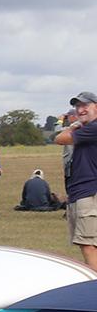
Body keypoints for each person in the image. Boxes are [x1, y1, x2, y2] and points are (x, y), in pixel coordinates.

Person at [53, 90, 97, 269]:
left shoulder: (93, 128)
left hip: (90, 192)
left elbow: (59, 138)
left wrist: (74, 126)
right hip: (80, 191)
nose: (80, 109)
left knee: (89, 245)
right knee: (87, 243)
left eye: (85, 105)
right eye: (77, 106)